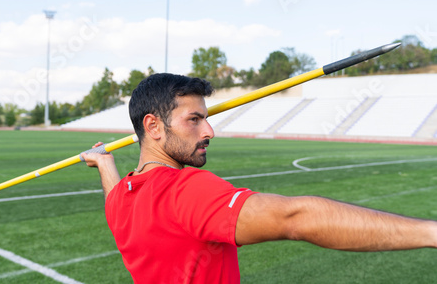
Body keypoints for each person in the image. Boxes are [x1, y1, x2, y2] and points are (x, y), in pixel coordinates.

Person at [81, 73, 437, 283]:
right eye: (194, 119)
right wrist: (429, 232)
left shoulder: (122, 197)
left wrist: (104, 163)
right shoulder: (185, 190)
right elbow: (296, 218)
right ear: (153, 126)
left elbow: (114, 192)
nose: (209, 130)